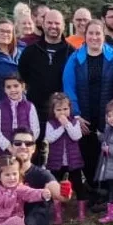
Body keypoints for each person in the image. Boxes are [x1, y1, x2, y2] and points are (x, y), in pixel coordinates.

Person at [62, 20, 113, 212]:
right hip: (84, 114)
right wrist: (75, 114)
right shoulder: (75, 59)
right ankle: (93, 189)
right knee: (88, 152)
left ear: (103, 35)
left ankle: (110, 192)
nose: (94, 37)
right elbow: (68, 86)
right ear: (85, 35)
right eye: (91, 33)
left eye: (98, 33)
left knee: (108, 151)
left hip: (108, 114)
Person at [20, 9, 73, 147]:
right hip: (35, 112)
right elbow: (23, 75)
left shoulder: (72, 52)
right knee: (36, 152)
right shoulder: (30, 51)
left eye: (57, 23)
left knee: (61, 155)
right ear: (43, 24)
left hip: (62, 113)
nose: (53, 26)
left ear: (63, 25)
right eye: (49, 22)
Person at [44, 92, 87, 224]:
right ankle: (58, 214)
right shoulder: (50, 123)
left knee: (78, 184)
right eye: (58, 110)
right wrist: (62, 127)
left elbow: (76, 136)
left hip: (73, 160)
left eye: (65, 109)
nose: (62, 112)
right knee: (55, 185)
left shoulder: (74, 122)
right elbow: (50, 138)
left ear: (70, 109)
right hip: (56, 161)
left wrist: (67, 124)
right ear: (53, 111)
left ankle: (81, 212)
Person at [0, 73, 39, 157]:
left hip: (24, 151)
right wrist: (9, 147)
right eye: (8, 87)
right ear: (4, 89)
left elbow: (35, 129)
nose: (12, 90)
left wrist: (25, 145)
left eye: (16, 86)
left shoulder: (30, 106)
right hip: (4, 152)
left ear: (23, 87)